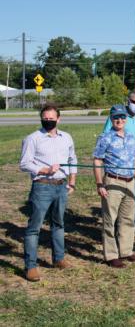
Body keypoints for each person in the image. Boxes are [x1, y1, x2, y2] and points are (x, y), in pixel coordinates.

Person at [19, 104, 78, 282]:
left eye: (52, 118)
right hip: (42, 186)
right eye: (45, 118)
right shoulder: (32, 139)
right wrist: (45, 170)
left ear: (58, 119)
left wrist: (72, 182)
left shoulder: (66, 137)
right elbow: (24, 163)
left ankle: (58, 258)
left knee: (58, 224)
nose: (48, 121)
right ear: (41, 118)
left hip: (61, 186)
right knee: (34, 228)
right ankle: (31, 266)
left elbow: (72, 159)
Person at [93, 104, 135, 268]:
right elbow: (97, 160)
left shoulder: (130, 137)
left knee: (128, 219)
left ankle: (126, 251)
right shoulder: (105, 137)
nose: (119, 120)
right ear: (111, 119)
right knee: (110, 220)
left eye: (122, 117)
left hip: (130, 182)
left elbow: (134, 158)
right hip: (113, 181)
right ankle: (111, 255)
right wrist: (100, 183)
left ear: (126, 119)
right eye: (116, 117)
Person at [103, 91, 135, 235]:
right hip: (120, 160)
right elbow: (107, 136)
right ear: (128, 100)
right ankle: (119, 222)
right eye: (134, 102)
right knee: (119, 191)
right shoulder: (119, 117)